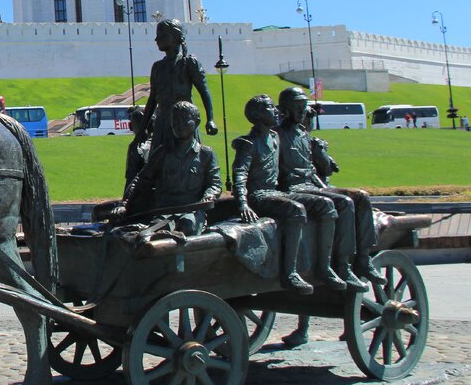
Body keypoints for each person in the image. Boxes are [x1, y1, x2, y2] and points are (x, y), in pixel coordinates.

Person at [232, 94, 345, 295]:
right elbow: (239, 175)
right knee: (296, 210)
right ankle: (289, 272)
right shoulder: (248, 143)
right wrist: (243, 203)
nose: (276, 110)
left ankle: (325, 266)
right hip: (259, 196)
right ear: (257, 115)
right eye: (269, 108)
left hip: (275, 193)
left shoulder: (275, 137)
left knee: (326, 205)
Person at [276, 87, 372, 293]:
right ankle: (330, 266)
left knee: (361, 197)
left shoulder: (303, 134)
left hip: (309, 186)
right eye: (297, 107)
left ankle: (363, 258)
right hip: (291, 189)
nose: (302, 111)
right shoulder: (277, 135)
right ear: (285, 109)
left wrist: (326, 187)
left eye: (304, 107)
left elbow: (311, 170)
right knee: (341, 204)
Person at [116, 101, 221, 236]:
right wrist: (125, 204)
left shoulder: (206, 154)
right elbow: (141, 180)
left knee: (188, 227)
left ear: (197, 122)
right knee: (152, 234)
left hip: (192, 212)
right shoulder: (162, 153)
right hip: (165, 212)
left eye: (185, 120)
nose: (179, 125)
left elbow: (215, 184)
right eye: (175, 121)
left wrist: (208, 196)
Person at [142, 18, 218, 153]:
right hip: (163, 122)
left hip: (184, 122)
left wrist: (210, 119)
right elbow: (152, 99)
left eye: (161, 36)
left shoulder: (188, 63)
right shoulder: (157, 67)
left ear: (175, 37)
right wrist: (143, 127)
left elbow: (204, 91)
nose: (156, 39)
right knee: (159, 165)